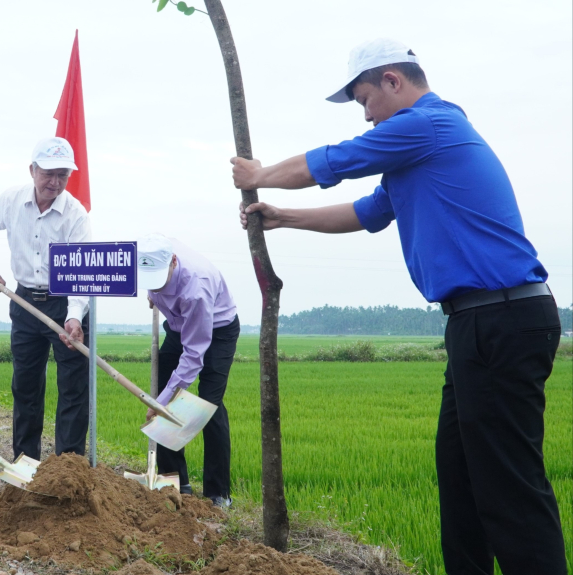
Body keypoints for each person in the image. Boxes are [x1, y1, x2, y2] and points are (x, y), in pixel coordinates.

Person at [232, 39, 565, 575]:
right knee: (459, 479)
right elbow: (366, 212)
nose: (366, 116)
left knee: (508, 486)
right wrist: (281, 216)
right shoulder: (416, 155)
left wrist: (259, 174)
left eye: (366, 99)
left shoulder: (427, 125)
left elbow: (336, 160)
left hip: (501, 319)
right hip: (474, 323)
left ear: (393, 80)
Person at [0, 137, 91, 461]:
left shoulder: (75, 214)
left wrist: (75, 317)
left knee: (73, 389)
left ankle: (69, 468)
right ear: (32, 170)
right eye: (48, 174)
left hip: (65, 302)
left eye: (62, 175)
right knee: (25, 386)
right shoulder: (11, 201)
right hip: (24, 302)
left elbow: (81, 274)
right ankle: (25, 462)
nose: (54, 182)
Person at [137, 234, 239, 507]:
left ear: (173, 262)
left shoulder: (197, 289)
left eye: (159, 279)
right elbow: (152, 282)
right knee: (163, 391)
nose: (155, 285)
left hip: (217, 329)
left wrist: (162, 401)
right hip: (178, 323)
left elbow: (194, 354)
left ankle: (218, 494)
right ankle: (175, 481)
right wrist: (154, 295)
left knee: (209, 404)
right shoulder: (151, 251)